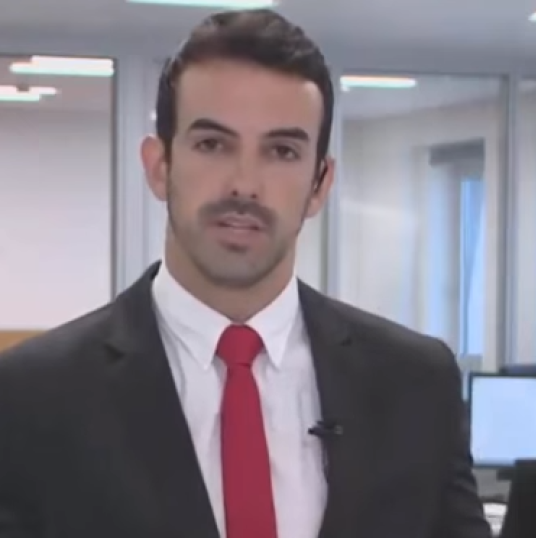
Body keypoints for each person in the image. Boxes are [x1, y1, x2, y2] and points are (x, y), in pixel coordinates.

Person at [0, 9, 491, 538]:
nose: (244, 184)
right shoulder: (32, 396)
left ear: (320, 184)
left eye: (282, 151)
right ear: (159, 167)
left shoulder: (416, 385)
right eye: (213, 144)